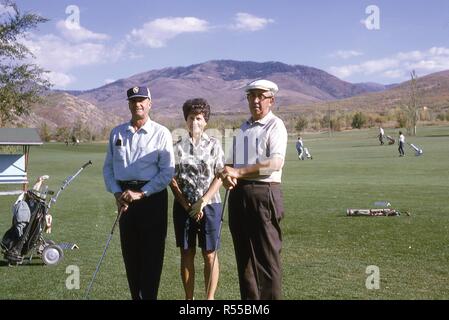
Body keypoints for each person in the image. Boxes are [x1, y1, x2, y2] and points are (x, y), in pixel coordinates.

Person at [103, 86, 175, 300]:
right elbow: (108, 168)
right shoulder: (117, 132)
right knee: (131, 257)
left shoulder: (161, 133)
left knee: (152, 257)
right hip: (125, 200)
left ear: (150, 103)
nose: (138, 104)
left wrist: (142, 193)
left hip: (151, 199)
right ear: (129, 105)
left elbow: (167, 172)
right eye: (134, 101)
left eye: (142, 100)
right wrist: (117, 193)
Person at [219, 79, 288, 300]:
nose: (256, 100)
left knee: (267, 261)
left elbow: (275, 163)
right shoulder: (244, 127)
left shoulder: (275, 125)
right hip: (239, 195)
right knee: (244, 261)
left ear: (271, 100)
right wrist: (227, 174)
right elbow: (232, 163)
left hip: (263, 193)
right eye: (252, 96)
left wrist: (238, 173)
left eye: (261, 96)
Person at [169, 98, 224, 300]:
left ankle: (209, 300)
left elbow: (219, 175)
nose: (195, 122)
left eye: (199, 118)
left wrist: (204, 201)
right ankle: (189, 300)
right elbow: (172, 179)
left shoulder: (214, 145)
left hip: (211, 205)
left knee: (209, 254)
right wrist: (187, 205)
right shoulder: (176, 147)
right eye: (191, 118)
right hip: (184, 206)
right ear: (186, 120)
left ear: (205, 121)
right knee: (186, 253)